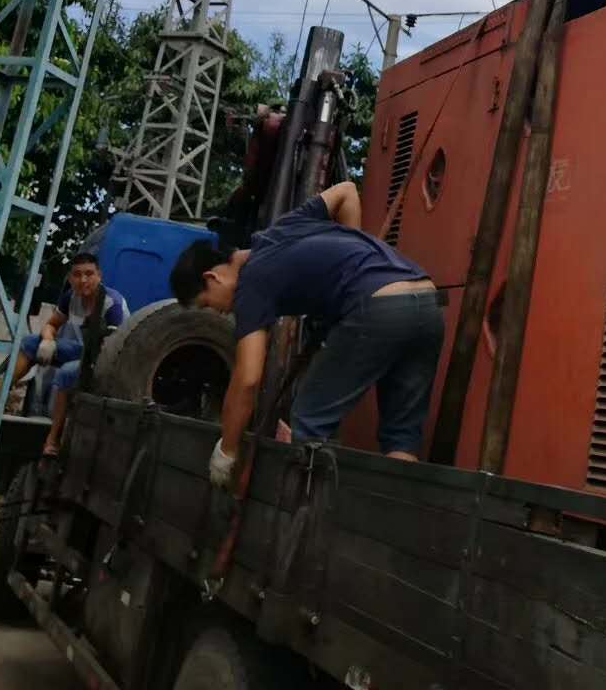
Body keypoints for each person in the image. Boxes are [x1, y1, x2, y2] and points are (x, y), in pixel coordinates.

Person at [169, 181, 442, 488]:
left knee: (310, 422)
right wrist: (353, 255)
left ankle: (303, 522)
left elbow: (247, 379)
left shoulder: (250, 283)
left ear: (213, 277)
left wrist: (227, 451)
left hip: (378, 308)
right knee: (401, 437)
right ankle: (394, 520)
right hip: (427, 303)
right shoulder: (284, 228)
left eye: (208, 304)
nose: (219, 312)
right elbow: (347, 191)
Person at [0, 251, 127, 455]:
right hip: (83, 351)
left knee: (66, 373)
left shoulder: (112, 305)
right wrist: (48, 340)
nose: (83, 280)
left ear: (99, 276)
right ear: (70, 278)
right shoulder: (70, 298)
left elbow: (113, 349)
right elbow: (51, 324)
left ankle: (53, 439)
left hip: (108, 359)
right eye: (77, 274)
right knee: (31, 342)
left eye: (89, 274)